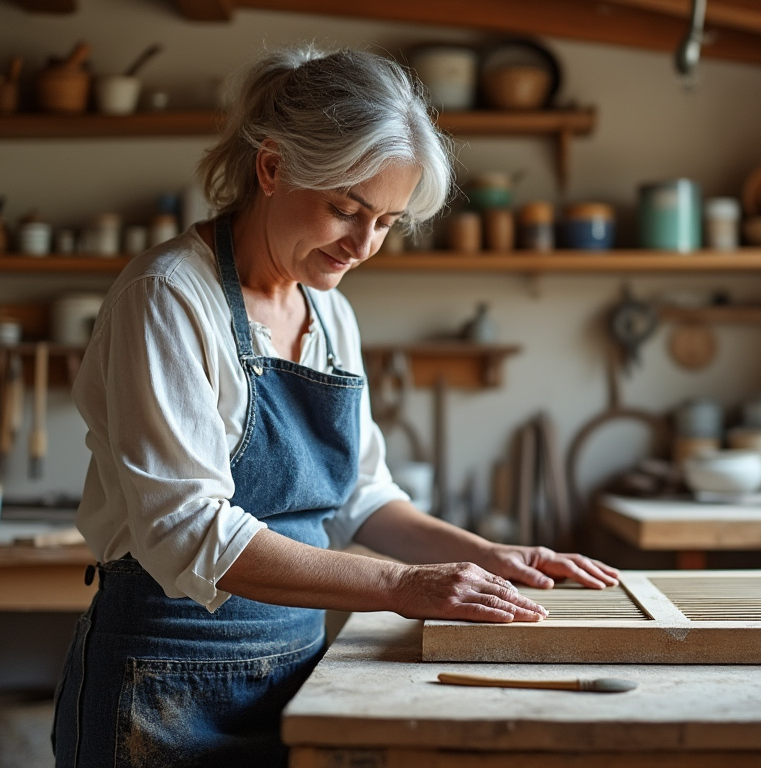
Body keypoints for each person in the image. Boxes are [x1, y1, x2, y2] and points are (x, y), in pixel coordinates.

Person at [51, 46, 618, 768]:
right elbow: (188, 531)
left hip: (297, 672)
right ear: (272, 167)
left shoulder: (328, 312)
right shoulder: (168, 298)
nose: (362, 245)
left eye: (386, 222)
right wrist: (404, 585)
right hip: (161, 683)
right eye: (346, 211)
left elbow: (361, 498)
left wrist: (486, 557)